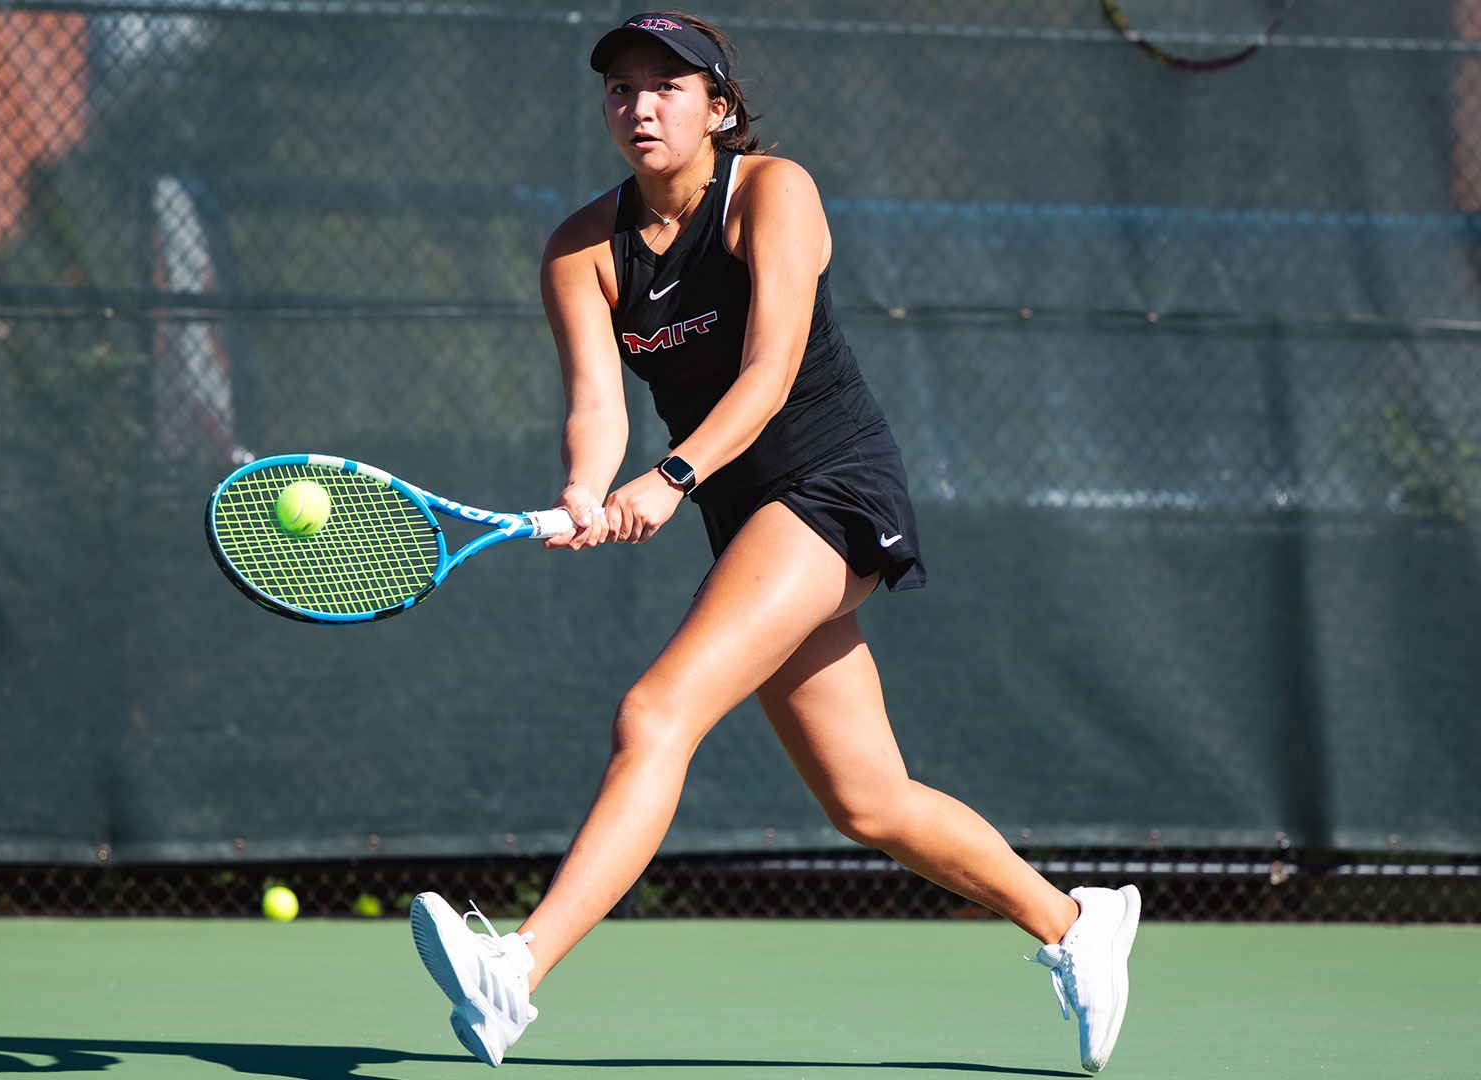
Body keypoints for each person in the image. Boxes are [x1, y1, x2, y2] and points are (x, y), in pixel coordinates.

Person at [409, 11, 1140, 1074]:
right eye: (620, 88)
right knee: (868, 800)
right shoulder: (580, 248)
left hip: (831, 486)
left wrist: (667, 479)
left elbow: (771, 370)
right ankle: (1079, 926)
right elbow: (598, 407)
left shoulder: (774, 193)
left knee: (655, 712)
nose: (640, 105)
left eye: (666, 86)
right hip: (741, 512)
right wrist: (584, 487)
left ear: (718, 106)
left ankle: (513, 972)